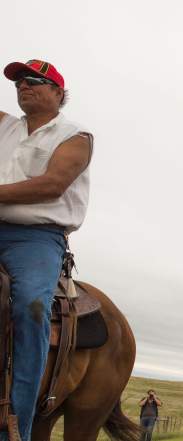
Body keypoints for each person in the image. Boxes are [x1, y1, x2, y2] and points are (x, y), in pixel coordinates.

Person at [0, 59, 92, 441]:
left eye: (35, 81)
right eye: (20, 81)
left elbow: (52, 185)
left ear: (58, 92)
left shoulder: (75, 136)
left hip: (36, 237)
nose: (24, 86)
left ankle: (14, 426)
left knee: (31, 307)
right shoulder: (5, 125)